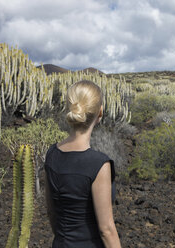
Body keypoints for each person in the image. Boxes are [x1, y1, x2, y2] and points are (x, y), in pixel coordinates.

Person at [44, 80, 122, 248]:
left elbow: (51, 212)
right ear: (100, 112)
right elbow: (106, 230)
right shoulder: (98, 164)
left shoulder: (51, 154)